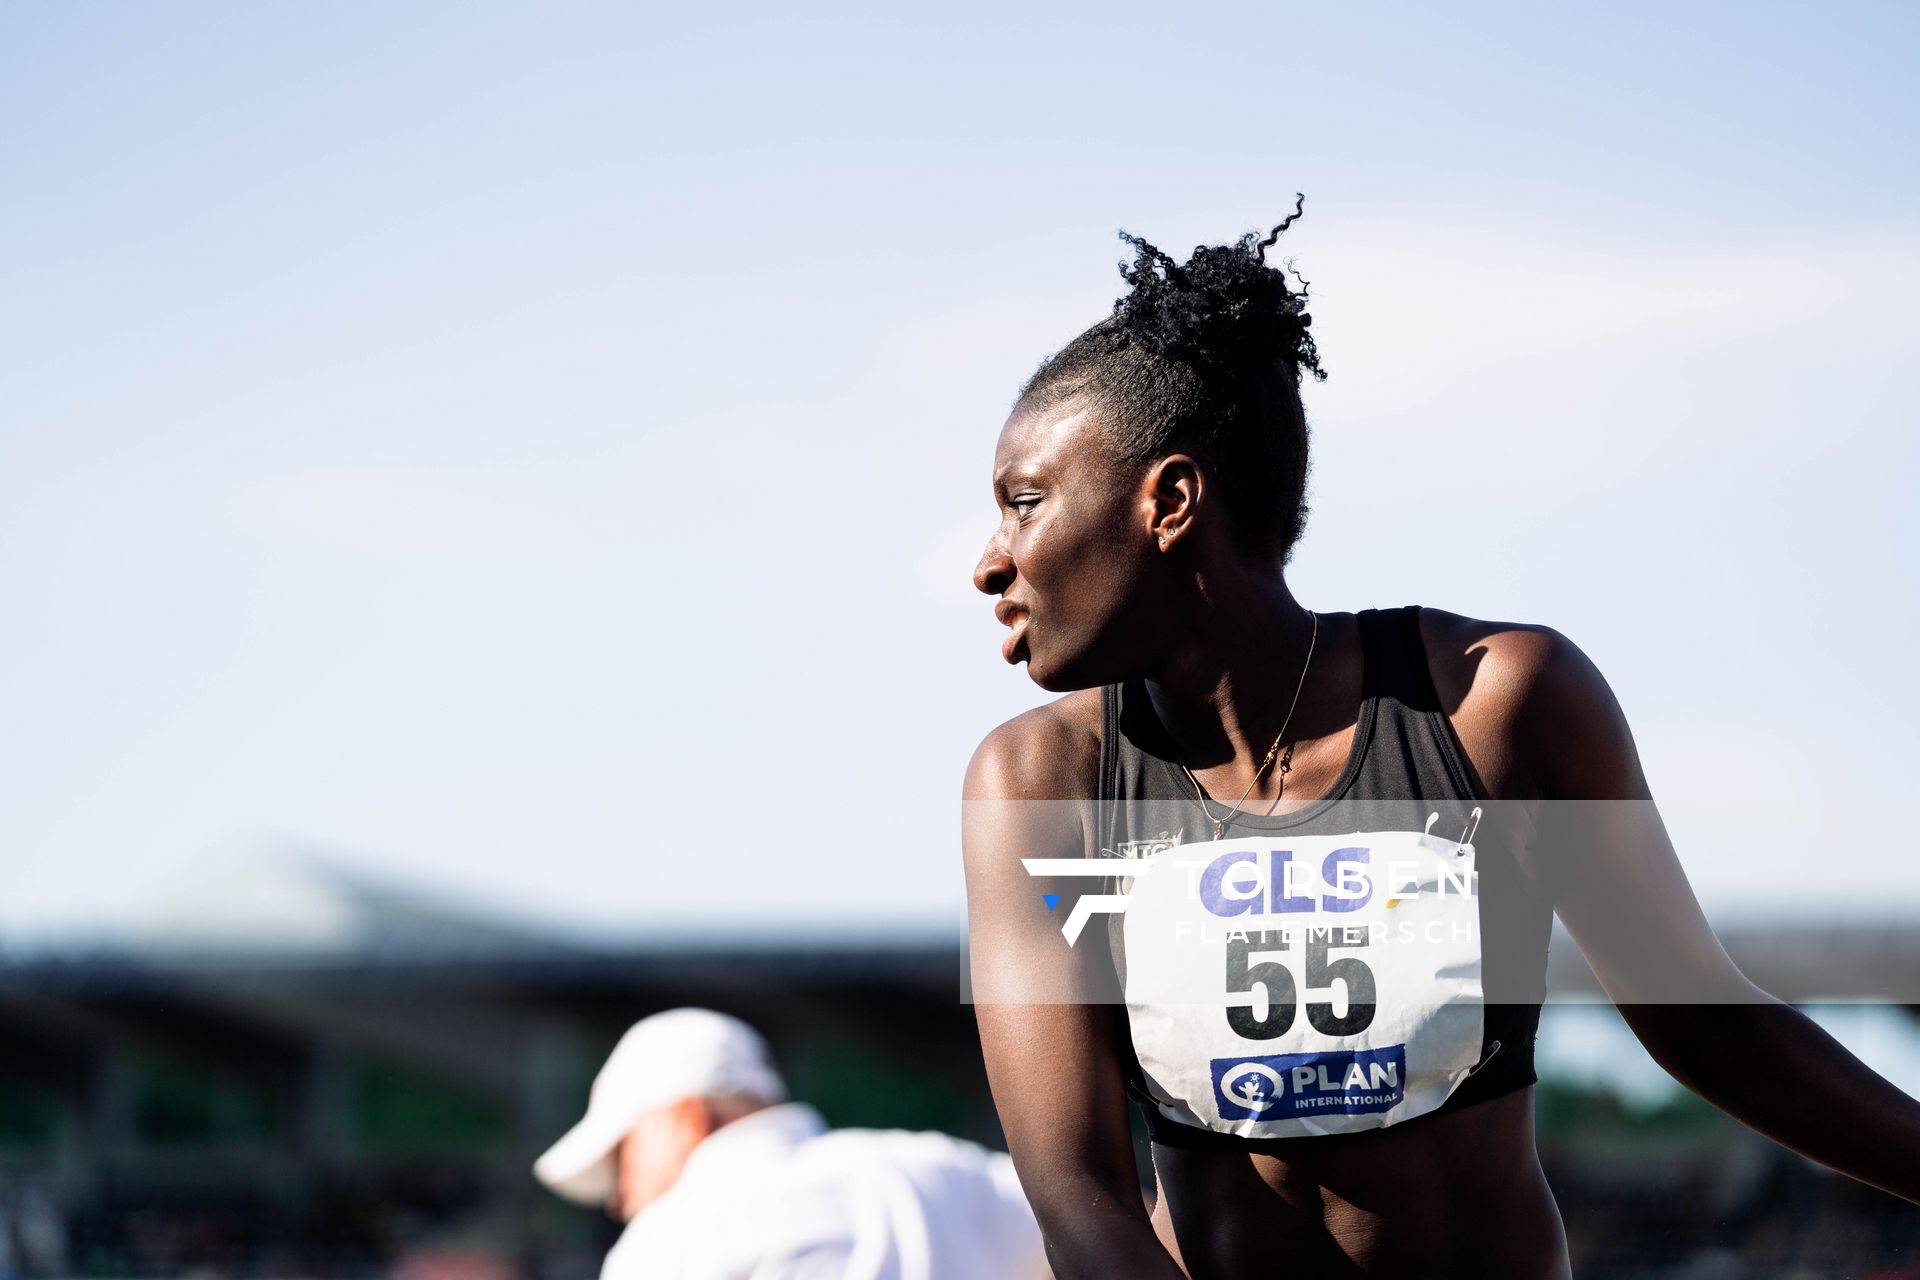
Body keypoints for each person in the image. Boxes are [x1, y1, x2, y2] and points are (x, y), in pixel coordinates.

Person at [960, 201, 1920, 1278]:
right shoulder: (1040, 784)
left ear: (1171, 500)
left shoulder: (1497, 705)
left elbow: (1712, 1027)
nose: (990, 561)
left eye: (1025, 502)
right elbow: (1081, 1197)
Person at [532, 1007, 1048, 1280]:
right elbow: (1114, 1218)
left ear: (683, 1119)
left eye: (623, 1156)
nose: (618, 1198)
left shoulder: (671, 1234)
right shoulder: (940, 1166)